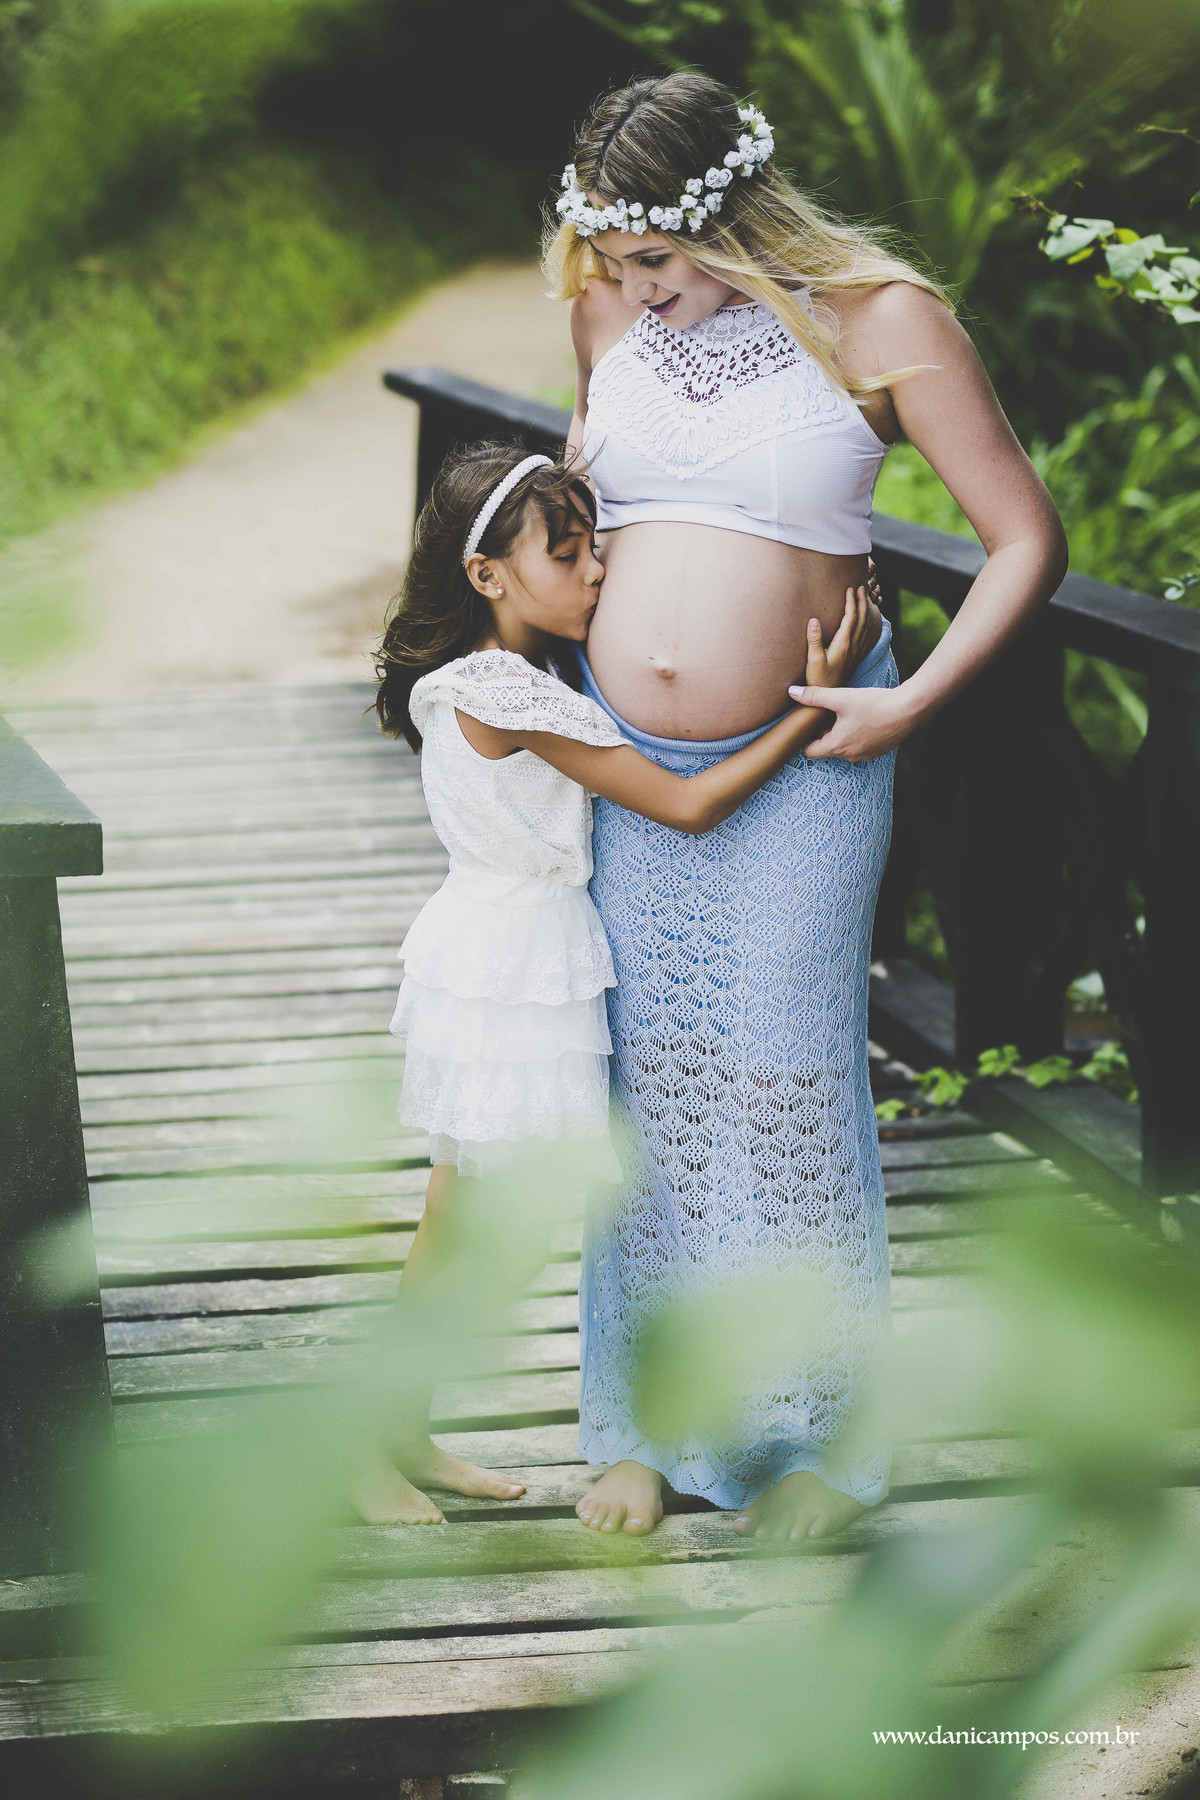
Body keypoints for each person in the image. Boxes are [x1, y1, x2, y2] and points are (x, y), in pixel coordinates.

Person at [545, 71, 1068, 1541]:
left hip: (812, 763)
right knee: (644, 1083)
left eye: (655, 259)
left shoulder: (883, 318)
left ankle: (814, 1449)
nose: (631, 292)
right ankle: (644, 1423)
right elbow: (589, 524)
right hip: (626, 767)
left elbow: (1022, 534)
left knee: (782, 1078)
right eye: (612, 262)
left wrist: (911, 698)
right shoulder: (610, 317)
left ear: (733, 220)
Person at [357, 439, 880, 1526]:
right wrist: (810, 705)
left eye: (598, 548)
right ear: (487, 576)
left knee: (467, 1221)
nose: (598, 573)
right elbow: (683, 803)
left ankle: (394, 1430)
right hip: (515, 976)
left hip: (500, 952)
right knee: (469, 1229)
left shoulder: (493, 677)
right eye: (567, 553)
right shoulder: (507, 692)